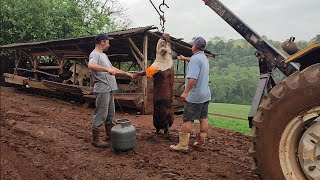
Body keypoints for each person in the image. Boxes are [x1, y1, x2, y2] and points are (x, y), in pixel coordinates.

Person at [88, 34, 135, 148]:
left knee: (110, 114)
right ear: (102, 42)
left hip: (109, 89)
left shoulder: (103, 55)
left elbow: (112, 69)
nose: (109, 43)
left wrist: (126, 73)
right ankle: (95, 140)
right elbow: (91, 65)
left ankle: (109, 135)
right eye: (108, 41)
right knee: (101, 113)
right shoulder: (95, 54)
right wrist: (106, 69)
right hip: (102, 88)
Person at [170, 37, 211, 151]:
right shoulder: (204, 58)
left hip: (195, 96)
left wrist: (186, 92)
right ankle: (200, 142)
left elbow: (192, 78)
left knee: (188, 119)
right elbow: (195, 61)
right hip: (205, 94)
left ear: (194, 46)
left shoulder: (195, 60)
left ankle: (182, 145)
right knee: (203, 118)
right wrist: (184, 58)